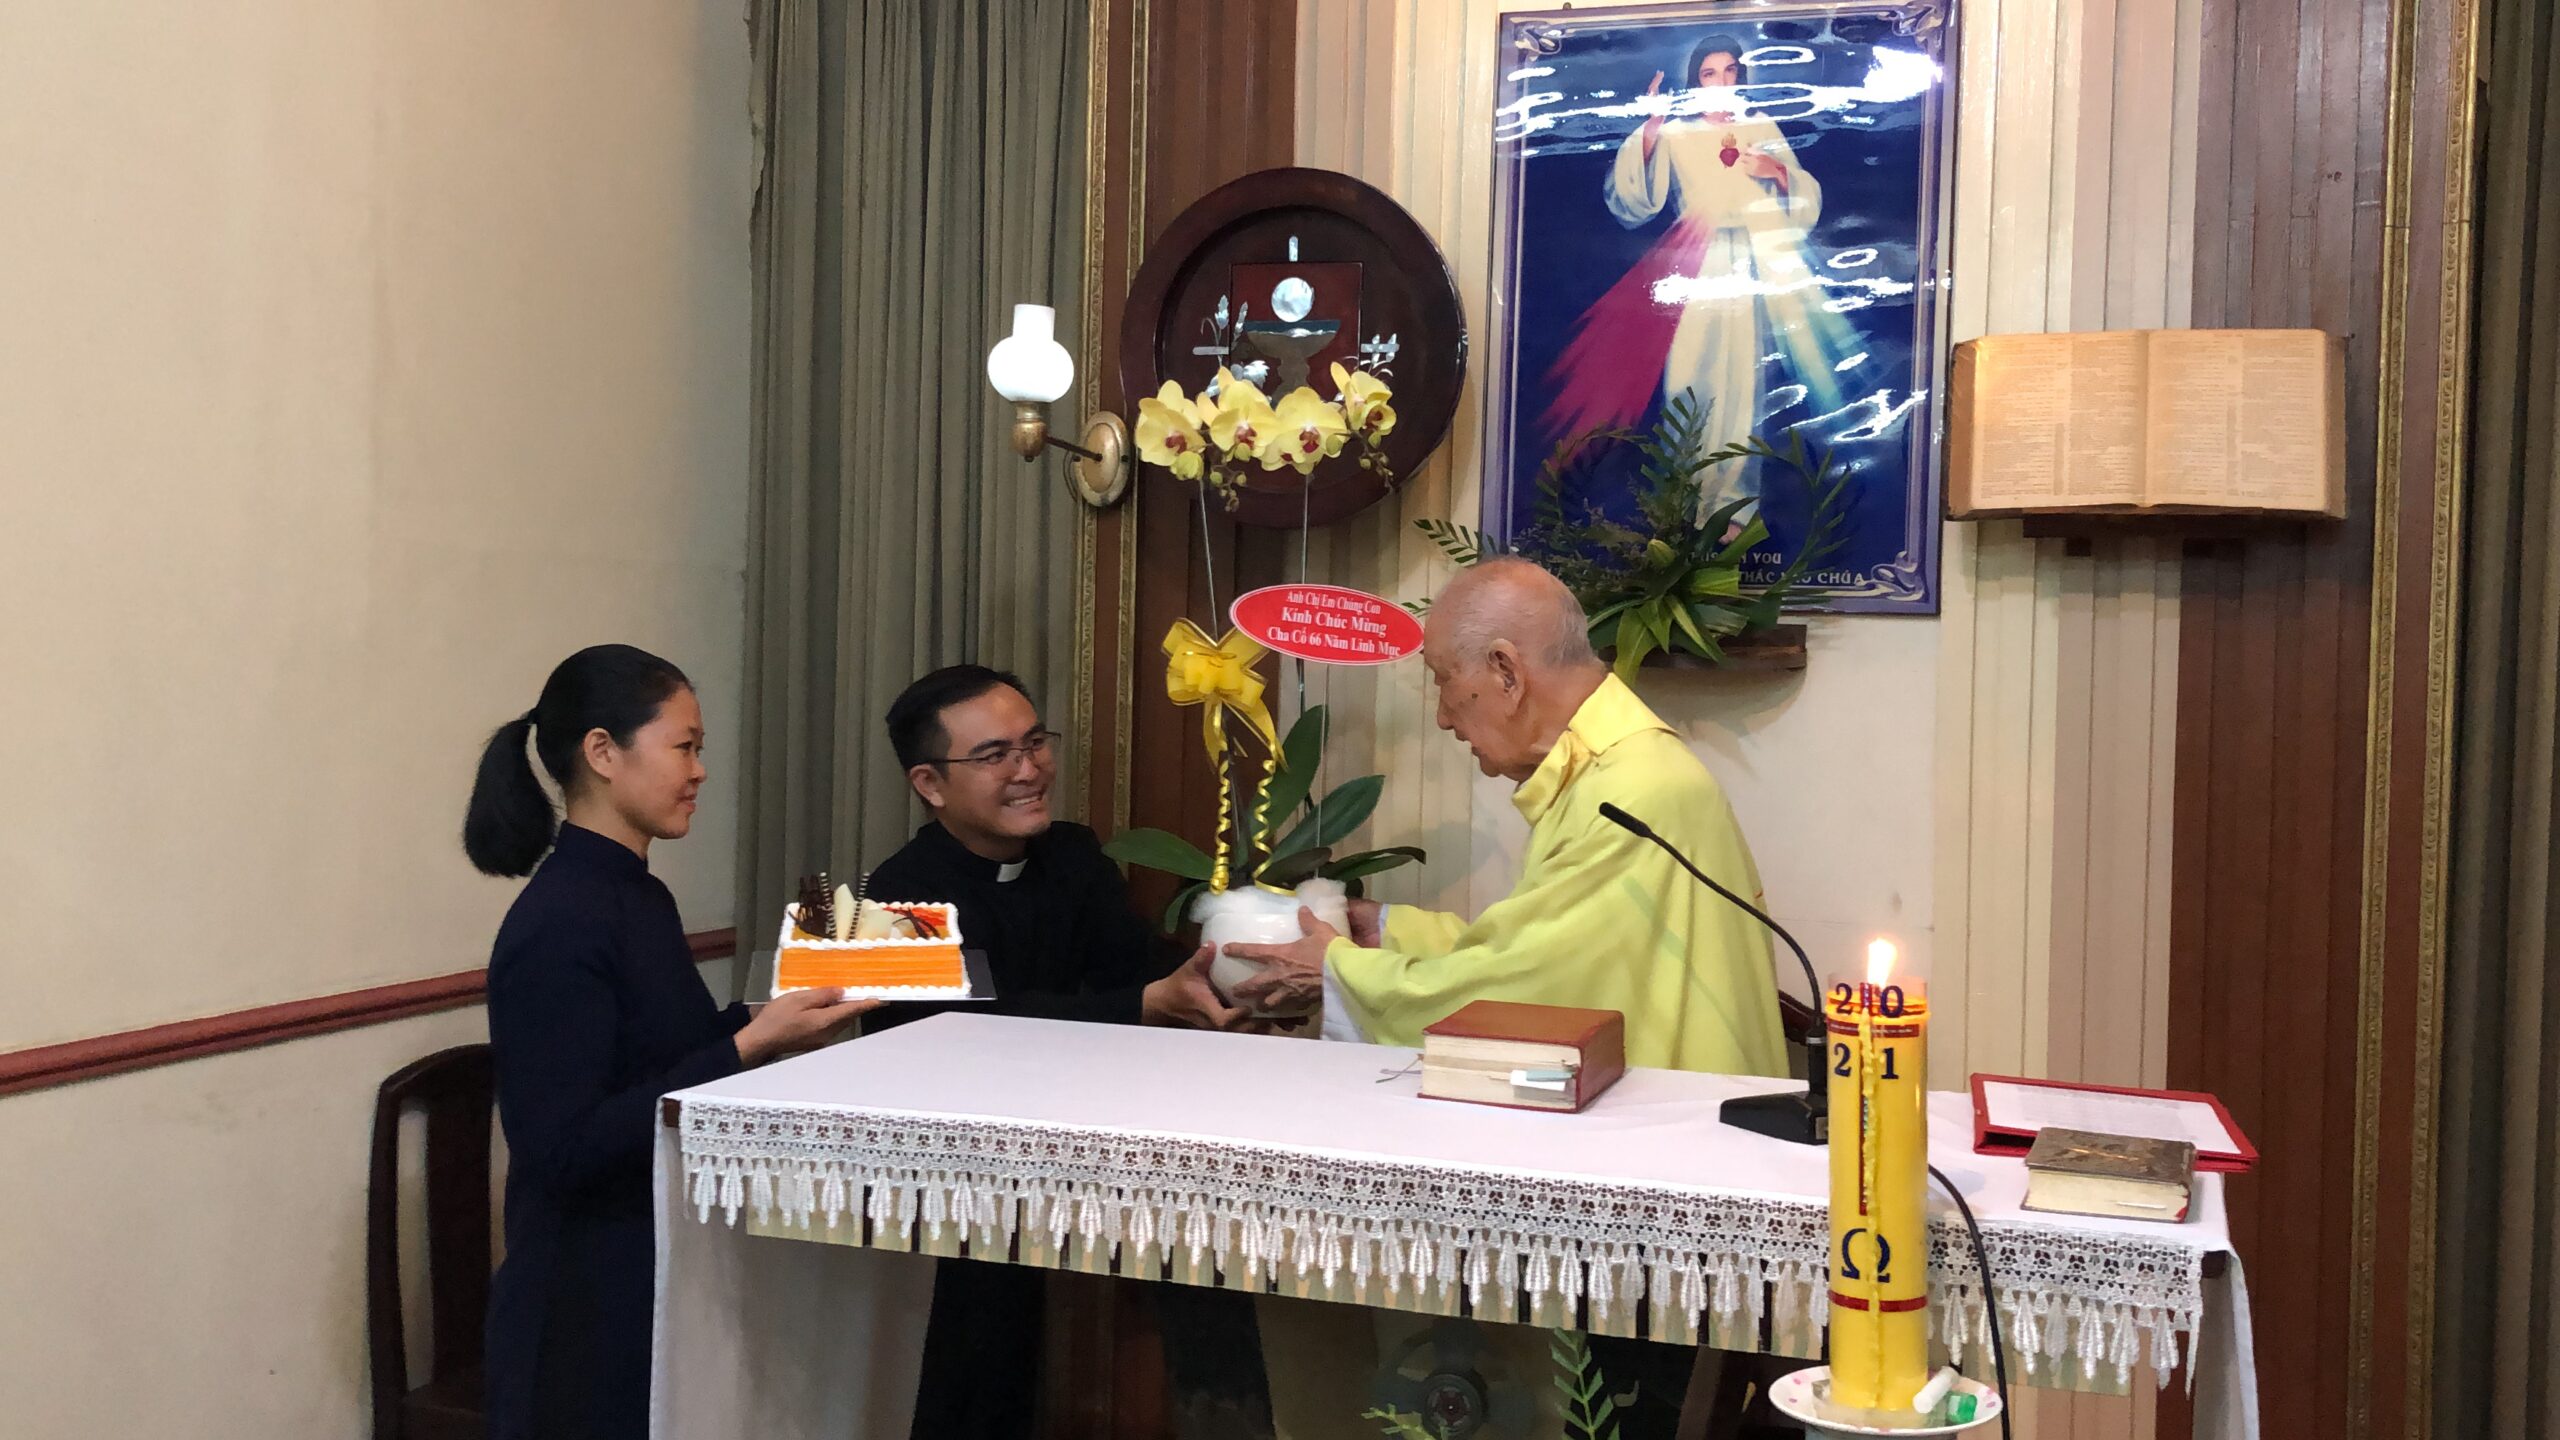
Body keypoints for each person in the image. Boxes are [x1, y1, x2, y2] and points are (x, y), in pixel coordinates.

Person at [468, 644, 875, 1440]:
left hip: (653, 1263)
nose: (700, 771)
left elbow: (663, 1057)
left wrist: (770, 1021)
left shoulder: (634, 893)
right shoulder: (561, 918)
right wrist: (749, 1045)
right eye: (684, 747)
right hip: (584, 1303)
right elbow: (566, 1146)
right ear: (602, 752)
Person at [864, 665, 1272, 1440]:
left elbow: (1136, 967)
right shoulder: (892, 895)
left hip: (1068, 1146)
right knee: (964, 1367)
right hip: (947, 1174)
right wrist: (1147, 1004)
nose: (1029, 769)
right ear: (930, 783)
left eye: (1035, 743)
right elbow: (954, 1032)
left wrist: (1228, 987)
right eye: (995, 755)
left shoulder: (1073, 855)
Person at [1224, 559, 1787, 1076]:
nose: (1444, 718)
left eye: (1443, 680)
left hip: (1678, 1119)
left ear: (1506, 672)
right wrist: (1389, 933)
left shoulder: (1631, 790)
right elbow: (1538, 949)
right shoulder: (1615, 769)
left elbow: (1535, 990)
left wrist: (1339, 971)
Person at [1540, 34, 1857, 523]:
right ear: (1696, 80)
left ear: (1740, 76)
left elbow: (1804, 200)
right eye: (1710, 73)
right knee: (1688, 375)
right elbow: (1635, 200)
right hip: (1691, 266)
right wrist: (1651, 126)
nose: (1721, 82)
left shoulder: (1759, 125)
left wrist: (1775, 169)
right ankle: (1683, 502)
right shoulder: (1677, 132)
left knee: (1741, 383)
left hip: (1746, 266)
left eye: (1730, 71)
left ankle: (1731, 510)